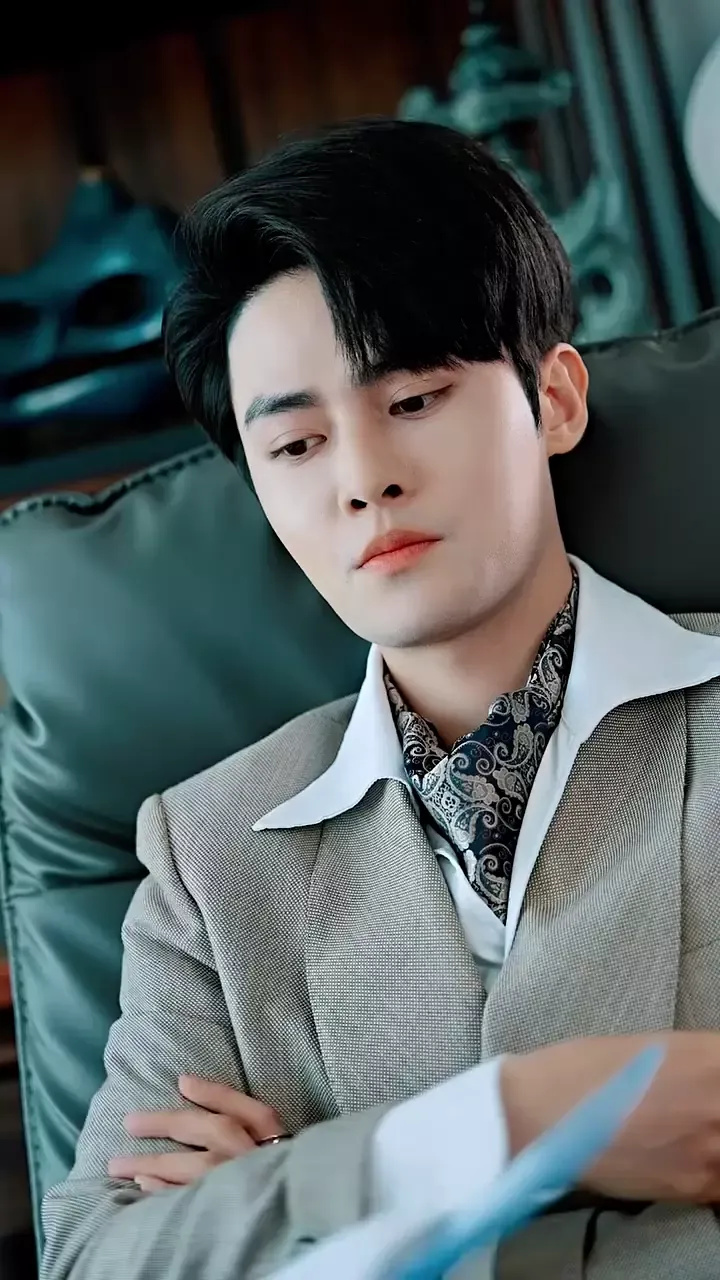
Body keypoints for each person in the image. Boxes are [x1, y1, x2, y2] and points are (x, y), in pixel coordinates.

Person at [41, 119, 720, 1280]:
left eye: (412, 399)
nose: (364, 480)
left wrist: (287, 1196)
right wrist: (499, 1124)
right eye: (297, 444)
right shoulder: (209, 855)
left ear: (555, 399)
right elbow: (101, 1257)